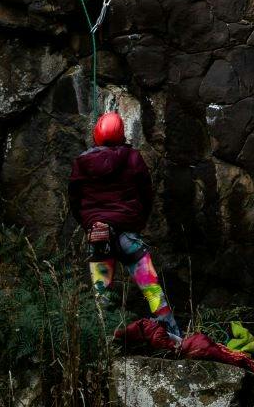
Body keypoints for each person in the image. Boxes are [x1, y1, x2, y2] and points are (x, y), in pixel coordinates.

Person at [68, 110, 181, 339]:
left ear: (97, 133)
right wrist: (136, 223)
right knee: (151, 289)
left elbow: (75, 201)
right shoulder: (133, 158)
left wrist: (89, 224)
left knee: (102, 297)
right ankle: (175, 338)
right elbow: (146, 196)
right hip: (128, 238)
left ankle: (104, 344)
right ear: (121, 133)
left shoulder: (82, 162)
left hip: (98, 237)